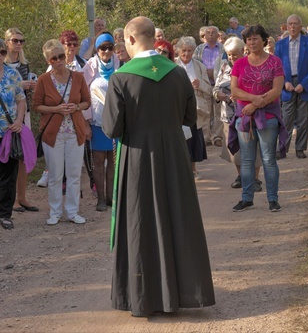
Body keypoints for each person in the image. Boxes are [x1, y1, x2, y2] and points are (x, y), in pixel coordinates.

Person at [102, 16, 215, 317]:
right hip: (175, 155)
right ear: (154, 38)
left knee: (140, 220)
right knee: (176, 218)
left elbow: (112, 128)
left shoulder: (121, 78)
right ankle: (181, 293)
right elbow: (190, 118)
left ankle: (142, 297)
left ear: (128, 40)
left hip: (137, 156)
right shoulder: (178, 74)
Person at [32, 40, 90, 225]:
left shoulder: (78, 78)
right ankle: (55, 212)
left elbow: (87, 102)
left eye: (61, 56)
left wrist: (76, 107)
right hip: (53, 134)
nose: (59, 60)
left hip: (75, 132)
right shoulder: (43, 80)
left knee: (74, 174)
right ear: (49, 61)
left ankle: (72, 212)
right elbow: (36, 106)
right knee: (55, 175)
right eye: (54, 58)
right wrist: (56, 109)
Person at [229, 25, 286, 212]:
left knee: (268, 159)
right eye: (249, 39)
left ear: (264, 40)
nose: (252, 42)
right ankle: (247, 198)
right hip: (244, 118)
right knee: (246, 160)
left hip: (268, 117)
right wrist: (252, 100)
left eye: (255, 38)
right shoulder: (239, 64)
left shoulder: (275, 62)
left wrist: (255, 104)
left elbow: (277, 90)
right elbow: (234, 90)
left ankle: (272, 199)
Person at [213, 37, 262, 192]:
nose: (231, 57)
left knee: (253, 146)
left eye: (234, 54)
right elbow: (215, 88)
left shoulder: (251, 65)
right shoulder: (224, 67)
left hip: (249, 113)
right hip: (228, 113)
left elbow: (258, 88)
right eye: (229, 54)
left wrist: (241, 96)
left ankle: (255, 178)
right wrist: (217, 95)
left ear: (243, 51)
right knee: (234, 146)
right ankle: (241, 176)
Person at [83, 32, 120, 211]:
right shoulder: (91, 66)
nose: (106, 51)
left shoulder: (119, 64)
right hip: (96, 121)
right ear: (97, 49)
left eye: (109, 47)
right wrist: (85, 122)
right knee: (98, 161)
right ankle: (100, 199)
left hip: (115, 120)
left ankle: (111, 196)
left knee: (113, 160)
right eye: (102, 47)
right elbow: (83, 93)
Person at [275, 14, 308, 159]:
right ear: (287, 27)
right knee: (286, 118)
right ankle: (282, 148)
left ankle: (300, 148)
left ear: (300, 27)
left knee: (303, 119)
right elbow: (277, 67)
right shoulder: (280, 45)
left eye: (295, 24)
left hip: (305, 84)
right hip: (287, 84)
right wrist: (285, 82)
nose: (292, 26)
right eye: (290, 24)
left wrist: (304, 84)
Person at [5, 28, 38, 213]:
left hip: (24, 113)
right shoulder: (4, 65)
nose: (18, 44)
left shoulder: (24, 64)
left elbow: (24, 94)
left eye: (21, 41)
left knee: (23, 156)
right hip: (7, 116)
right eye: (15, 40)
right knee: (11, 156)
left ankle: (22, 197)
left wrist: (30, 86)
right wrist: (20, 85)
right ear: (7, 41)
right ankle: (11, 200)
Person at [175, 36, 212, 179]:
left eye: (190, 51)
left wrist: (199, 84)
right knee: (179, 138)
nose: (186, 54)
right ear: (178, 50)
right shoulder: (172, 65)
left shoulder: (200, 66)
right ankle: (179, 170)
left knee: (193, 138)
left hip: (195, 108)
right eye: (183, 50)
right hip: (177, 107)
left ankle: (193, 169)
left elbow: (209, 89)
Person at [0, 39, 26, 229]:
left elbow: (21, 101)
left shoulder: (12, 74)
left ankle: (5, 214)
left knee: (8, 175)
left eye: (2, 52)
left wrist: (19, 121)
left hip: (9, 132)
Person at [193, 26, 224, 146]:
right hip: (204, 84)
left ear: (218, 35)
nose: (210, 35)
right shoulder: (199, 49)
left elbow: (225, 64)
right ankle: (205, 137)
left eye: (213, 33)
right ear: (204, 36)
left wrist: (214, 73)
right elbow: (195, 64)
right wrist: (206, 73)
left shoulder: (222, 49)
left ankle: (217, 137)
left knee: (218, 112)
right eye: (208, 33)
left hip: (218, 84)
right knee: (205, 111)